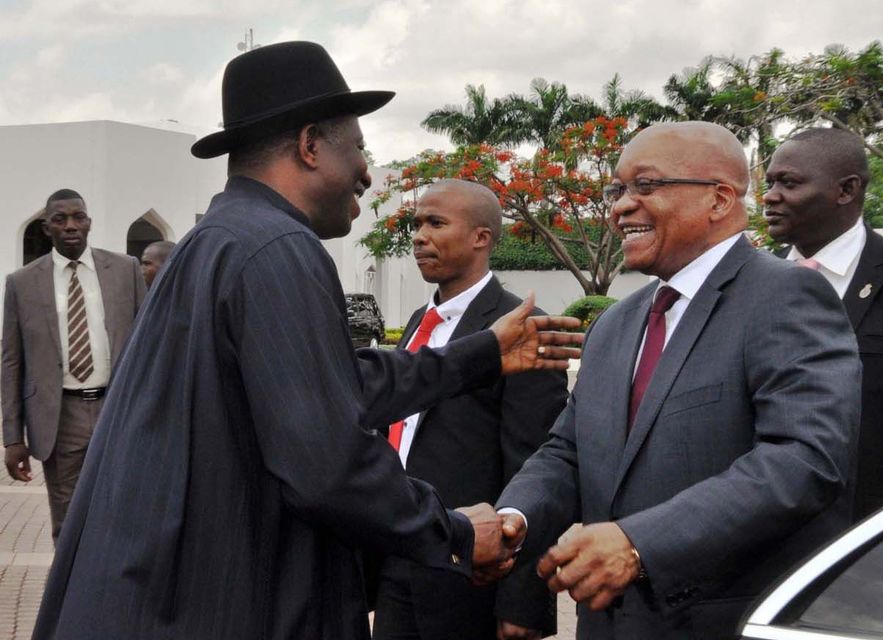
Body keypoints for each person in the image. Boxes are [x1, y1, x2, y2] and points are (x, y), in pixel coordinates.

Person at [31, 41, 581, 640]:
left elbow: (328, 385)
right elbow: (326, 460)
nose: (368, 174)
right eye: (360, 149)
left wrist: (480, 354)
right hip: (222, 600)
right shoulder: (277, 249)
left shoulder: (221, 241)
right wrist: (450, 533)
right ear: (311, 144)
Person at [497, 122, 861, 639]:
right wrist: (514, 519)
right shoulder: (615, 324)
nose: (621, 206)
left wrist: (638, 544)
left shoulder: (787, 295)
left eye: (645, 186)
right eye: (617, 189)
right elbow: (568, 452)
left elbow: (804, 459)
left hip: (719, 622)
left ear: (718, 199)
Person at [372, 180, 567, 640]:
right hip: (399, 560)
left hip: (471, 581)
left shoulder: (522, 330)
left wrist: (523, 599)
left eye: (436, 223)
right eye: (417, 224)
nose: (419, 236)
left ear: (481, 237)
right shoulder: (420, 322)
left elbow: (536, 467)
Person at [764, 127, 883, 521]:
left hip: (867, 544)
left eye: (789, 182)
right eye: (770, 182)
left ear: (846, 190)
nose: (770, 195)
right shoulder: (748, 281)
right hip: (758, 536)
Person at [2, 189, 145, 540]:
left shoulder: (125, 270)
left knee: (123, 513)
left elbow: (149, 344)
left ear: (89, 222)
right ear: (46, 226)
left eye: (78, 217)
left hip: (119, 410)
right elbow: (11, 362)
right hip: (59, 416)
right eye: (60, 219)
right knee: (68, 523)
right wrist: (12, 439)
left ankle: (113, 593)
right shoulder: (22, 283)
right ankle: (68, 593)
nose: (70, 226)